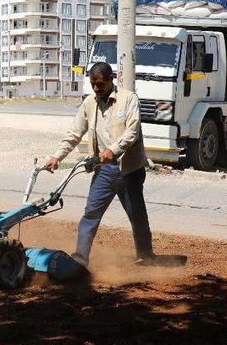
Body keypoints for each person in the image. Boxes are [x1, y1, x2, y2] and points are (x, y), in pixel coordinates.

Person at [44, 62, 156, 268]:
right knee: (91, 213)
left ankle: (146, 256)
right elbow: (74, 133)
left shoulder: (128, 99)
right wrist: (57, 157)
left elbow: (132, 132)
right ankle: (80, 258)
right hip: (104, 171)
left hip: (129, 170)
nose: (96, 88)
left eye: (100, 84)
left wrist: (112, 151)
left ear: (111, 79)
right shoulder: (89, 103)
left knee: (136, 214)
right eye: (93, 84)